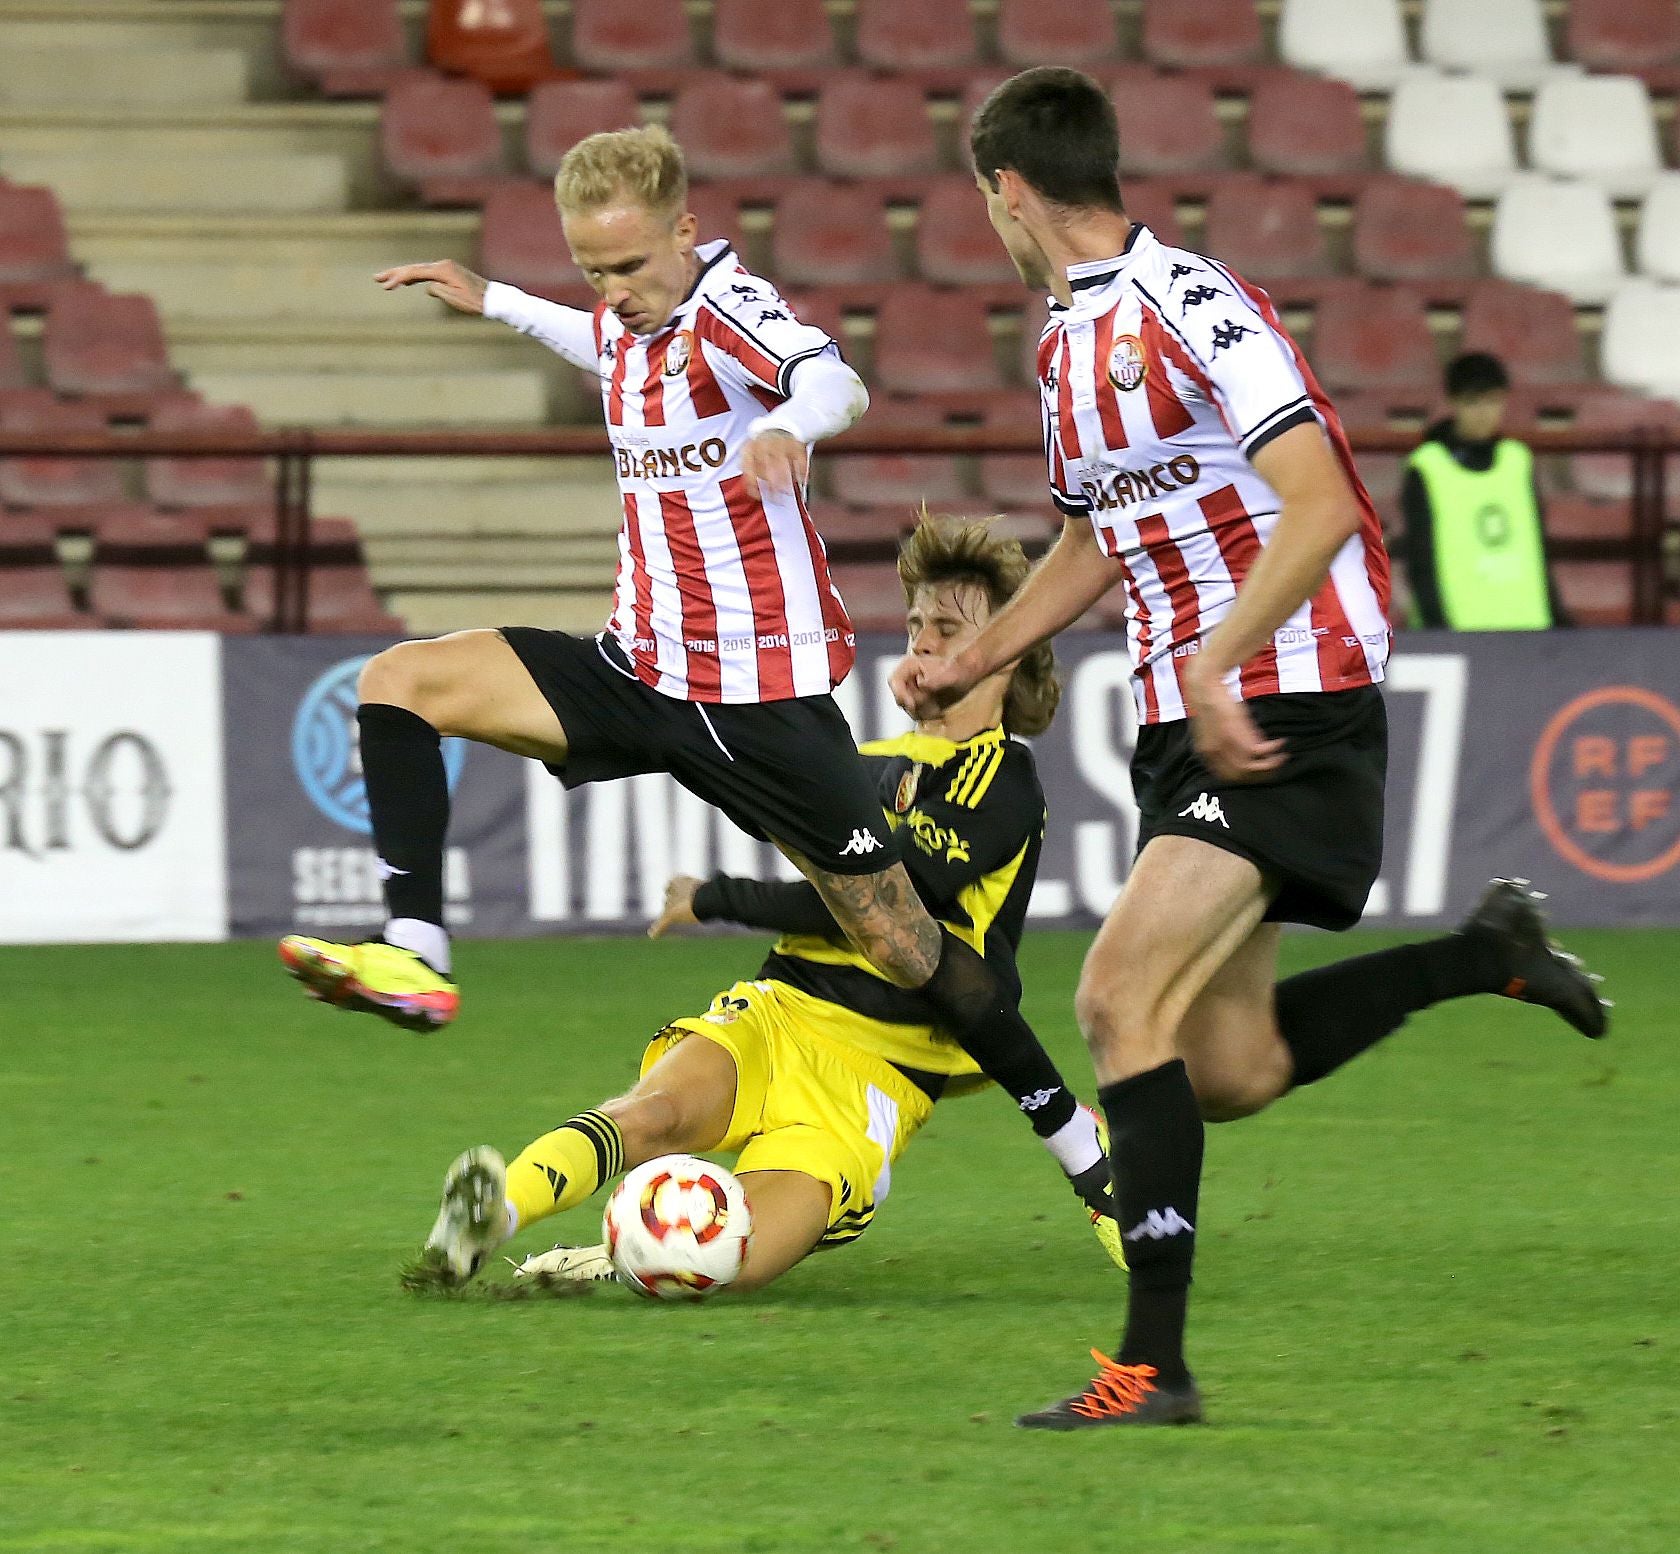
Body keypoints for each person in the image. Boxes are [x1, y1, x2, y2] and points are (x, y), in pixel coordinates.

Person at [892, 67, 1609, 1429]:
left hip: (1287, 693)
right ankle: (1485, 954)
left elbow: (1322, 499)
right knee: (1227, 1068)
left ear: (1011, 193)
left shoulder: (1194, 305)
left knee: (1115, 997)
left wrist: (1221, 659)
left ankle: (1151, 1367)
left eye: (986, 198)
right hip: (1191, 712)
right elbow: (1097, 534)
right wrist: (978, 656)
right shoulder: (1058, 350)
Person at [280, 126, 1111, 1225]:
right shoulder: (636, 323)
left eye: (631, 267)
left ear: (686, 232)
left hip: (760, 705)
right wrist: (496, 301)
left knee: (909, 945)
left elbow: (833, 375)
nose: (614, 292)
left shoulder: (728, 313)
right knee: (399, 682)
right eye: (593, 270)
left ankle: (1077, 1142)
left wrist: (787, 424)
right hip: (639, 673)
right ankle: (416, 952)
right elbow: (606, 344)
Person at [409, 516, 1124, 1290]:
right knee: (652, 1114)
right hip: (782, 1010)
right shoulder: (862, 764)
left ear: (1007, 653)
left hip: (876, 1077)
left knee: (729, 1259)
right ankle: (493, 1215)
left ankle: (611, 1262)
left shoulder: (998, 776)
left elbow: (895, 903)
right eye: (916, 622)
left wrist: (719, 897)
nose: (922, 639)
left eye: (947, 628)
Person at [1400, 351, 1572, 630]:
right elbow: (1420, 557)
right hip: (1457, 629)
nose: (1484, 414)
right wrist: (1437, 626)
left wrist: (1558, 619)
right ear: (1453, 402)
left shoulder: (1517, 460)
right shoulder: (1428, 465)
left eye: (1493, 401)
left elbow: (1536, 547)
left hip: (1528, 627)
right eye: (1473, 403)